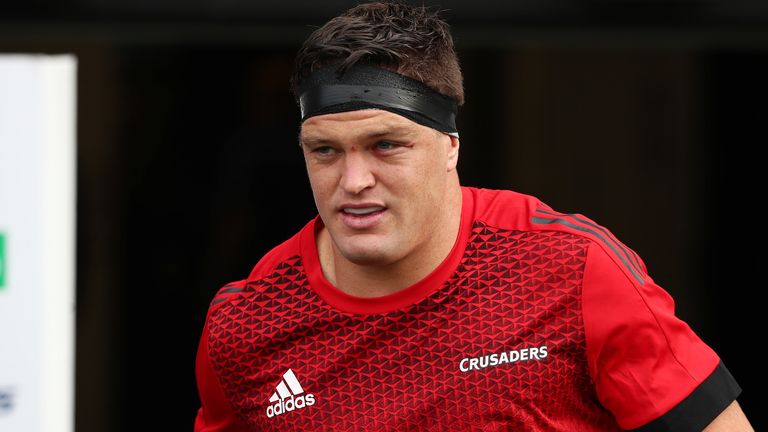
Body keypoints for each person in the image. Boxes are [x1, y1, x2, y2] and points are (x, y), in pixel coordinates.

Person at [194, 2, 753, 431]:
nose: (354, 181)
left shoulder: (569, 267)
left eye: (386, 145)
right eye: (325, 151)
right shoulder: (247, 325)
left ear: (450, 146)